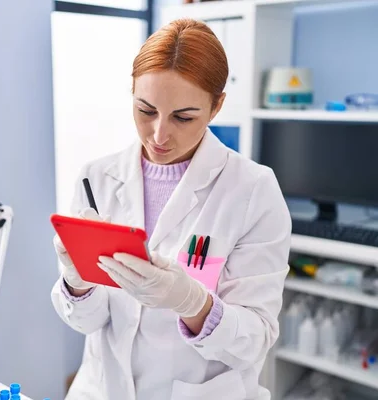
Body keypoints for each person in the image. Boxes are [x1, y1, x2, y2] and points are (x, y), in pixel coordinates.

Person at [50, 18, 291, 400]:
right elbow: (86, 322)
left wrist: (192, 303)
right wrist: (77, 282)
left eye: (183, 117)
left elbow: (255, 339)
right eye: (146, 110)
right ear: (131, 92)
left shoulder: (253, 190)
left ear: (216, 106)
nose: (159, 135)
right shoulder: (95, 179)